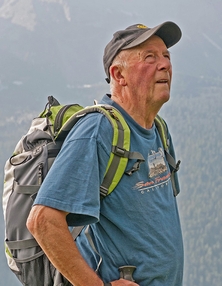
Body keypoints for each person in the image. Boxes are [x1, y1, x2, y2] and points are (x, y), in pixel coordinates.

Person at [26, 21, 184, 286]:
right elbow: (43, 220)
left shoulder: (157, 128)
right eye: (150, 57)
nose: (165, 65)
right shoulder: (99, 130)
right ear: (119, 75)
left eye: (166, 56)